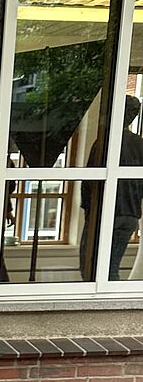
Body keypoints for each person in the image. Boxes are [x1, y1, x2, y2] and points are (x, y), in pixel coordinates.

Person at [80, 95, 143, 281]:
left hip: (107, 213)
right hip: (129, 214)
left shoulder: (105, 142)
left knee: (91, 268)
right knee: (110, 268)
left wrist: (90, 214)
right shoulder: (139, 144)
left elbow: (89, 182)